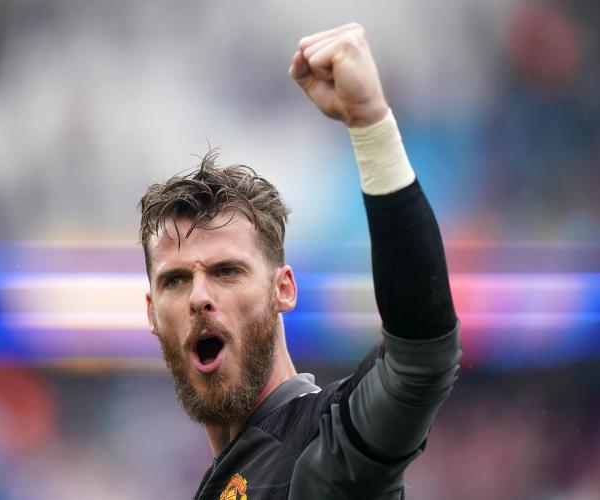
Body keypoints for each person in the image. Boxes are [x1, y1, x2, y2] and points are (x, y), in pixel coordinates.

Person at [139, 22, 461, 499]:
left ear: (283, 289)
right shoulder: (229, 476)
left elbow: (421, 362)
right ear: (151, 313)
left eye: (227, 272)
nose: (199, 297)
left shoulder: (323, 448)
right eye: (175, 280)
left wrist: (370, 122)